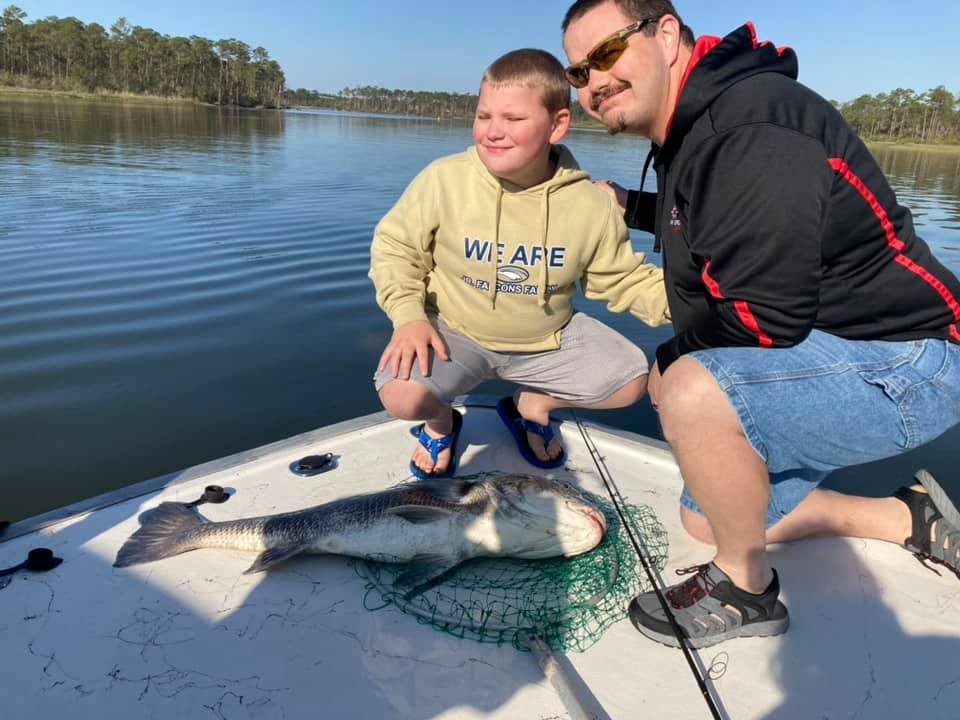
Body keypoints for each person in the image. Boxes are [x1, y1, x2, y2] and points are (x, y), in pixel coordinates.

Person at [562, 0, 960, 649]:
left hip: (915, 358)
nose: (593, 82)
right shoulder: (698, 127)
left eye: (605, 54)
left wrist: (669, 366)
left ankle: (745, 592)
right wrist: (630, 204)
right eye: (578, 72)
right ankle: (905, 517)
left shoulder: (753, 122)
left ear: (666, 34)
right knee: (708, 515)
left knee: (687, 384)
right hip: (846, 349)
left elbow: (767, 314)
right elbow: (719, 210)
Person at [369, 48, 671, 479]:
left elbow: (623, 281)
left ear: (557, 124)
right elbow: (396, 249)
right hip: (456, 333)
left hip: (548, 340)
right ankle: (442, 424)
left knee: (630, 381)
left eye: (513, 120)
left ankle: (534, 405)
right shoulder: (444, 179)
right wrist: (408, 317)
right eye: (484, 116)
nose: (493, 132)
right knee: (401, 394)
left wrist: (698, 302)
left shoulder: (589, 204)